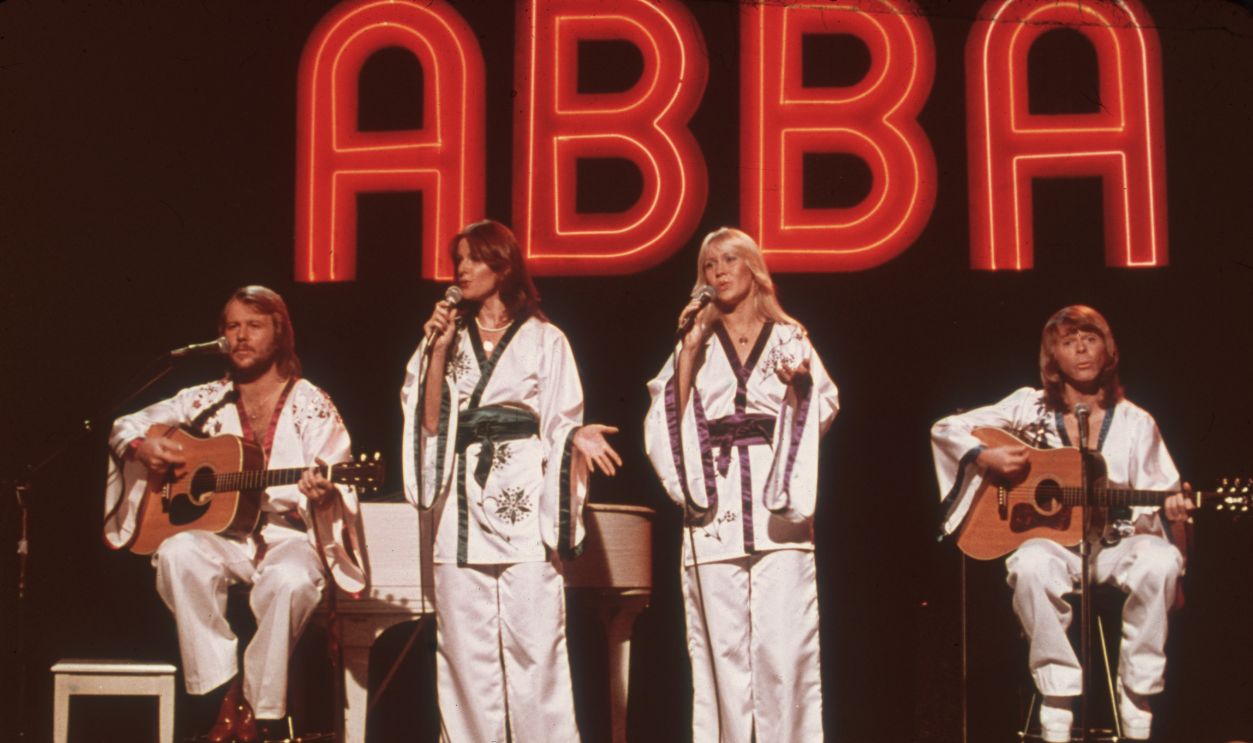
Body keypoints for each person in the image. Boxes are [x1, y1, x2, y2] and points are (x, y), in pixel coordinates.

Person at [105, 286, 366, 743]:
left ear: (279, 334)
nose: (241, 336)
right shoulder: (204, 399)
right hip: (223, 537)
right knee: (177, 553)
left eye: (254, 325)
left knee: (291, 580)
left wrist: (323, 492)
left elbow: (337, 476)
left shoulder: (310, 403)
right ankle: (224, 694)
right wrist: (144, 448)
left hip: (288, 537)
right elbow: (124, 425)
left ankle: (257, 709)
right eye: (232, 326)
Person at [931, 305, 1193, 742]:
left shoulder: (1137, 421)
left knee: (1161, 561)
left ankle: (1137, 689)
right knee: (1030, 565)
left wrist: (1177, 523)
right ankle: (1057, 694)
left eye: (1090, 339)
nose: (1082, 350)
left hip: (1116, 546)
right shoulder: (1028, 407)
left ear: (1107, 350)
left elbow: (1163, 493)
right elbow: (945, 429)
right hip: (1055, 547)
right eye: (1069, 342)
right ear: (1053, 357)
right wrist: (986, 456)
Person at [400, 219, 620, 742]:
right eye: (458, 259)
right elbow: (428, 422)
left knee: (536, 647)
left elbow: (560, 419)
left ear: (502, 266)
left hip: (523, 504)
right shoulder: (444, 339)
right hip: (459, 506)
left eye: (473, 258)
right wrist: (437, 349)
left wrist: (576, 437)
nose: (461, 269)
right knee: (463, 654)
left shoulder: (546, 339)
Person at [644, 227, 839, 742]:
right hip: (715, 501)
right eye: (709, 265)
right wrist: (688, 349)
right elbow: (665, 414)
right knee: (720, 653)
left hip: (778, 505)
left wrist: (799, 391)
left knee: (784, 648)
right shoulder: (696, 340)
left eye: (729, 260)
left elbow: (824, 403)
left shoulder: (790, 336)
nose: (719, 272)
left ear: (753, 267)